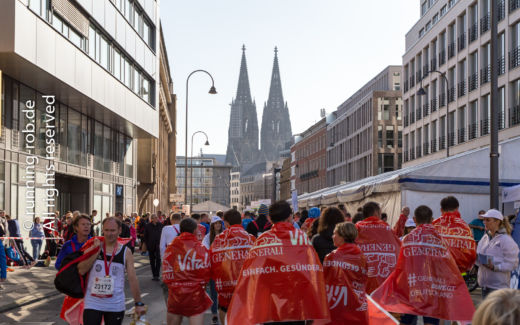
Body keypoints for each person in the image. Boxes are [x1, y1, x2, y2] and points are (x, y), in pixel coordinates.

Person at [226, 200, 330, 324]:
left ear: (270, 219)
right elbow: (312, 271)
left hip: (270, 305)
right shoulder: (301, 238)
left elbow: (252, 272)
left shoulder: (262, 240)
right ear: (290, 217)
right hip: (296, 304)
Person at [372, 205, 475, 324]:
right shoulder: (440, 240)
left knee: (406, 321)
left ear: (415, 219)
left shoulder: (407, 239)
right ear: (432, 220)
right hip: (433, 289)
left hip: (411, 288)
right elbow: (447, 266)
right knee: (430, 319)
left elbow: (399, 266)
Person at [78, 217, 145, 325]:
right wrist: (96, 252)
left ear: (119, 231)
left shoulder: (126, 252)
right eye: (107, 230)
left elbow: (133, 279)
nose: (109, 234)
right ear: (103, 230)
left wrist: (138, 303)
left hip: (115, 304)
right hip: (93, 303)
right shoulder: (93, 247)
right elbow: (81, 270)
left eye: (113, 230)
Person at [162, 218, 212, 325]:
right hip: (195, 295)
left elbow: (166, 271)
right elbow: (206, 272)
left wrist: (172, 285)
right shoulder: (201, 248)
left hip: (175, 294)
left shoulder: (171, 247)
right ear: (194, 230)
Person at [210, 209, 256, 324]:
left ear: (225, 223)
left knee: (224, 310)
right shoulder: (251, 239)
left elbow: (212, 262)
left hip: (225, 287)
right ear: (240, 221)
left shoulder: (218, 240)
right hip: (246, 287)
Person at [323, 222, 368, 324]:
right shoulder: (362, 257)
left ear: (342, 236)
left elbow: (324, 283)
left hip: (338, 308)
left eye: (335, 233)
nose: (332, 236)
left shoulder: (332, 257)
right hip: (358, 307)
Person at [355, 201, 401, 294]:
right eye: (380, 213)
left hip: (361, 284)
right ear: (376, 213)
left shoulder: (357, 228)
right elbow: (399, 248)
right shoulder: (386, 228)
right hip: (384, 286)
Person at [476, 209, 519, 298]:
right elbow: (479, 255)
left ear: (497, 222)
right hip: (484, 286)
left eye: (488, 220)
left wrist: (496, 267)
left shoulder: (506, 240)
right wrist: (476, 258)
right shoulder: (485, 237)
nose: (484, 222)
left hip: (498, 288)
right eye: (484, 220)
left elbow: (513, 263)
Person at [433, 196, 476, 272]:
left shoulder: (433, 224)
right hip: (458, 274)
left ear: (441, 210)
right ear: (457, 209)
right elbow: (471, 253)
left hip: (437, 273)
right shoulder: (464, 227)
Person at [202, 216, 224, 324]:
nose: (218, 225)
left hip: (224, 270)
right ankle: (214, 315)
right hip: (212, 269)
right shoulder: (207, 237)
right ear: (212, 225)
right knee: (214, 294)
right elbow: (204, 250)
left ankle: (225, 314)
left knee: (224, 293)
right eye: (216, 223)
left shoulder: (226, 235)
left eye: (219, 223)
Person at [144, 213, 163, 281]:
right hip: (151, 245)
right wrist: (147, 244)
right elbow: (145, 236)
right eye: (155, 218)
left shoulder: (160, 225)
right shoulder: (148, 226)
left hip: (158, 245)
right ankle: (154, 274)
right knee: (152, 260)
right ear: (151, 219)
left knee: (158, 259)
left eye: (157, 217)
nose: (156, 219)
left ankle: (157, 275)